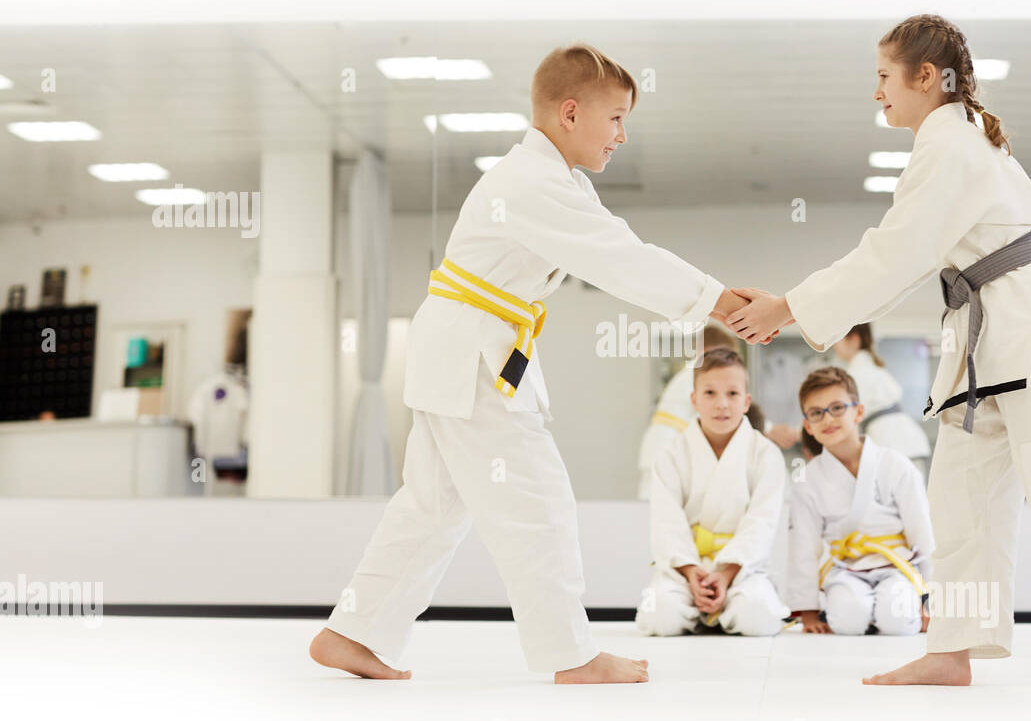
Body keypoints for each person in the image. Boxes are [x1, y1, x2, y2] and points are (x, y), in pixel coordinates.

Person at [725, 14, 1031, 694]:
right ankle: (953, 650)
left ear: (927, 78)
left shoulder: (953, 146)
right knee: (962, 502)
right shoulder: (952, 141)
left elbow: (893, 253)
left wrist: (788, 306)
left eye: (884, 78)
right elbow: (900, 253)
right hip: (981, 336)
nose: (877, 93)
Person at [310, 43, 754, 684]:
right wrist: (721, 301)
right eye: (617, 118)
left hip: (465, 350)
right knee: (537, 502)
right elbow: (623, 260)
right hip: (474, 356)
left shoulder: (555, 181)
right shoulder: (532, 183)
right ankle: (571, 656)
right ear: (570, 113)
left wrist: (715, 299)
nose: (623, 136)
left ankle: (352, 631)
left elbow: (619, 250)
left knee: (432, 507)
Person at [636, 348, 789, 636]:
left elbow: (762, 521)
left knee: (757, 615)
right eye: (710, 393)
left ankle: (721, 608)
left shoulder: (765, 454)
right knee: (660, 615)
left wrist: (726, 572)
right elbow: (666, 522)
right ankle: (696, 606)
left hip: (741, 569)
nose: (722, 404)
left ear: (746, 402)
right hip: (687, 568)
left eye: (732, 394)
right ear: (694, 400)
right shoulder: (671, 455)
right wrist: (693, 572)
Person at [787, 367, 933, 637]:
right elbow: (803, 547)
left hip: (897, 566)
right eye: (817, 413)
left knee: (898, 622)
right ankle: (865, 613)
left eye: (837, 407)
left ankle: (890, 612)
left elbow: (922, 534)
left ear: (859, 412)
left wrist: (930, 600)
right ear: (807, 425)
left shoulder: (895, 464)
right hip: (846, 569)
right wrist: (807, 613)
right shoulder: (807, 480)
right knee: (847, 622)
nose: (827, 418)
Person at [635, 324, 740, 499]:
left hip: (667, 449)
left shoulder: (692, 376)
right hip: (665, 449)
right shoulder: (694, 376)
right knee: (654, 506)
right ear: (708, 350)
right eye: (725, 358)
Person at [831, 322, 930, 472]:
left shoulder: (858, 372)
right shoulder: (870, 367)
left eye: (838, 338)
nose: (834, 345)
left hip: (893, 443)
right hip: (905, 442)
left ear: (854, 339)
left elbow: (847, 417)